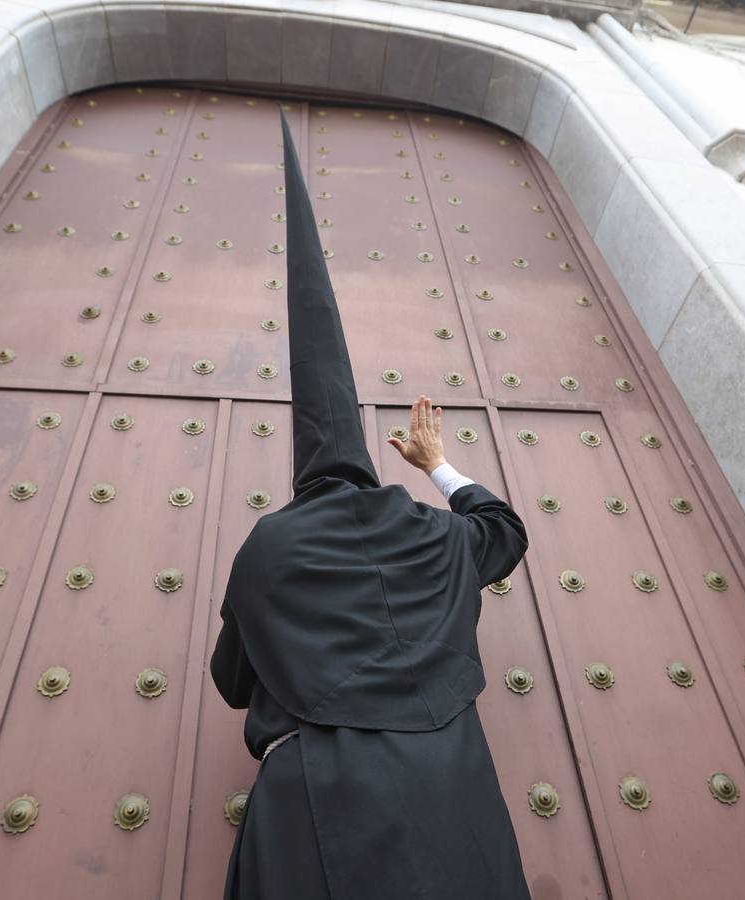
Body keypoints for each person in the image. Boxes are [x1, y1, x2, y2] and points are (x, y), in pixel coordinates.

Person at [209, 107, 533, 900]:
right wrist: (437, 465)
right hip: (449, 781)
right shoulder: (436, 534)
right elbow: (503, 529)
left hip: (316, 787)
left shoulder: (270, 546)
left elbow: (233, 678)